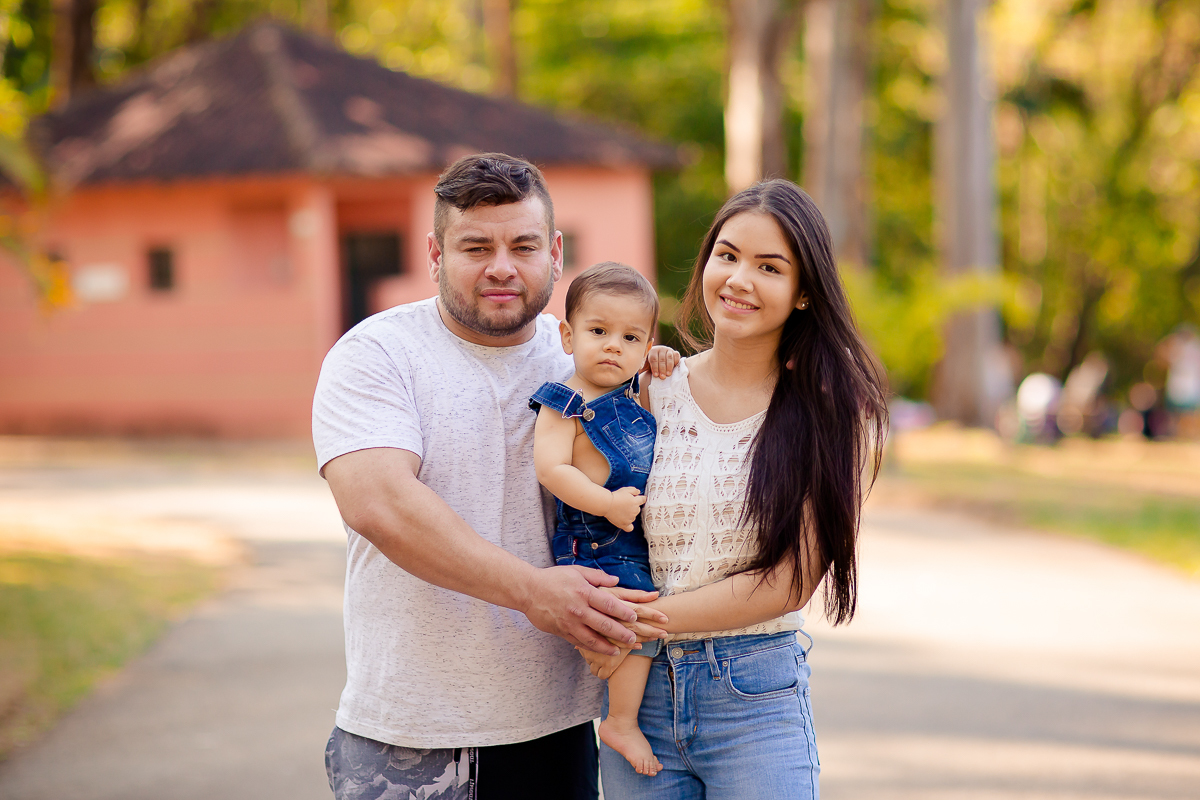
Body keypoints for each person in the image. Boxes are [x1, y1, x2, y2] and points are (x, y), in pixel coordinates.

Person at [312, 153, 667, 800]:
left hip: (557, 726)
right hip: (411, 734)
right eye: (476, 246)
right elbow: (379, 505)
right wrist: (532, 591)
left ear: (555, 254)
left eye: (523, 245)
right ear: (435, 253)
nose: (502, 265)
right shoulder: (377, 354)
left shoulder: (587, 359)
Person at [583, 179, 889, 799]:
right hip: (637, 701)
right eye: (727, 256)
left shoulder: (832, 415)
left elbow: (790, 580)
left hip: (753, 699)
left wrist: (633, 620)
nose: (739, 279)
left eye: (769, 267)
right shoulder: (649, 390)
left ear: (804, 293)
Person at [530, 262, 669, 778]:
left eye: (631, 337)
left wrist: (660, 362)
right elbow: (551, 468)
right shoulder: (564, 402)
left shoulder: (633, 393)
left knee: (639, 617)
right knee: (637, 616)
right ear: (567, 336)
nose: (614, 346)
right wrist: (604, 503)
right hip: (594, 539)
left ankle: (608, 663)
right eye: (598, 332)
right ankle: (621, 720)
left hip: (629, 538)